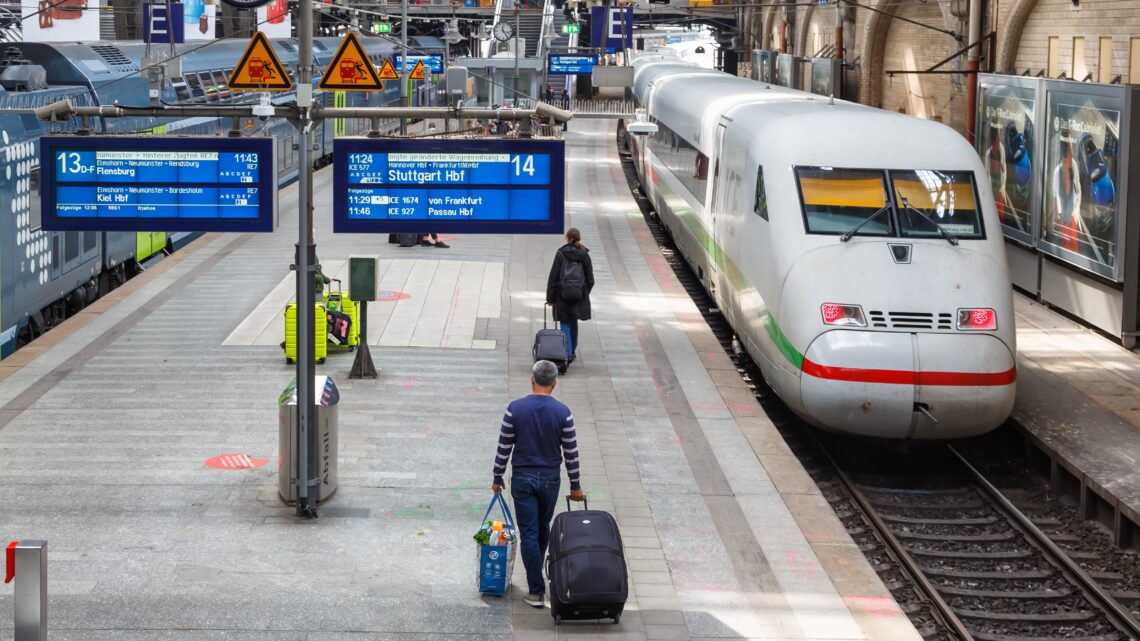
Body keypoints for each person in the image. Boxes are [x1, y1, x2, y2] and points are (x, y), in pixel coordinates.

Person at [492, 360, 585, 608]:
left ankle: (536, 591)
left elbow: (504, 446)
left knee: (530, 533)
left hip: (522, 479)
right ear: (554, 383)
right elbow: (571, 452)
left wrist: (497, 476)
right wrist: (575, 485)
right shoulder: (563, 412)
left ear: (532, 380)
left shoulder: (515, 409)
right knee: (542, 527)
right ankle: (537, 575)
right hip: (550, 480)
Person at [546, 228, 594, 366]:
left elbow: (553, 277)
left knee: (565, 323)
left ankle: (566, 354)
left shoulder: (561, 253)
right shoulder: (584, 255)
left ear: (567, 238)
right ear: (579, 238)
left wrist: (551, 298)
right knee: (574, 323)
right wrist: (583, 293)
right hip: (579, 296)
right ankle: (571, 352)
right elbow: (590, 279)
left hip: (562, 295)